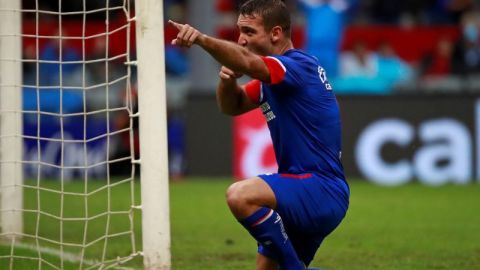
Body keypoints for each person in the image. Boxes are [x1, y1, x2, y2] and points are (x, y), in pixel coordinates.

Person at [169, 0, 349, 269]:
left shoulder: (298, 66)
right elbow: (232, 106)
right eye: (239, 31)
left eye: (249, 32)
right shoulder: (273, 80)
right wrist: (228, 79)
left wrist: (201, 39)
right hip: (299, 189)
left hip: (318, 188)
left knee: (240, 195)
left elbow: (247, 61)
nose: (241, 40)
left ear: (276, 33)